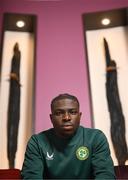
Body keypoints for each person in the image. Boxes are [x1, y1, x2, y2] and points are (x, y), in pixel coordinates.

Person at [21, 93, 115, 179]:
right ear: (51, 118)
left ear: (79, 115)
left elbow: (106, 175)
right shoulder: (37, 142)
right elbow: (31, 177)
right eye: (59, 113)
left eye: (73, 112)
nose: (66, 117)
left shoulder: (96, 138)